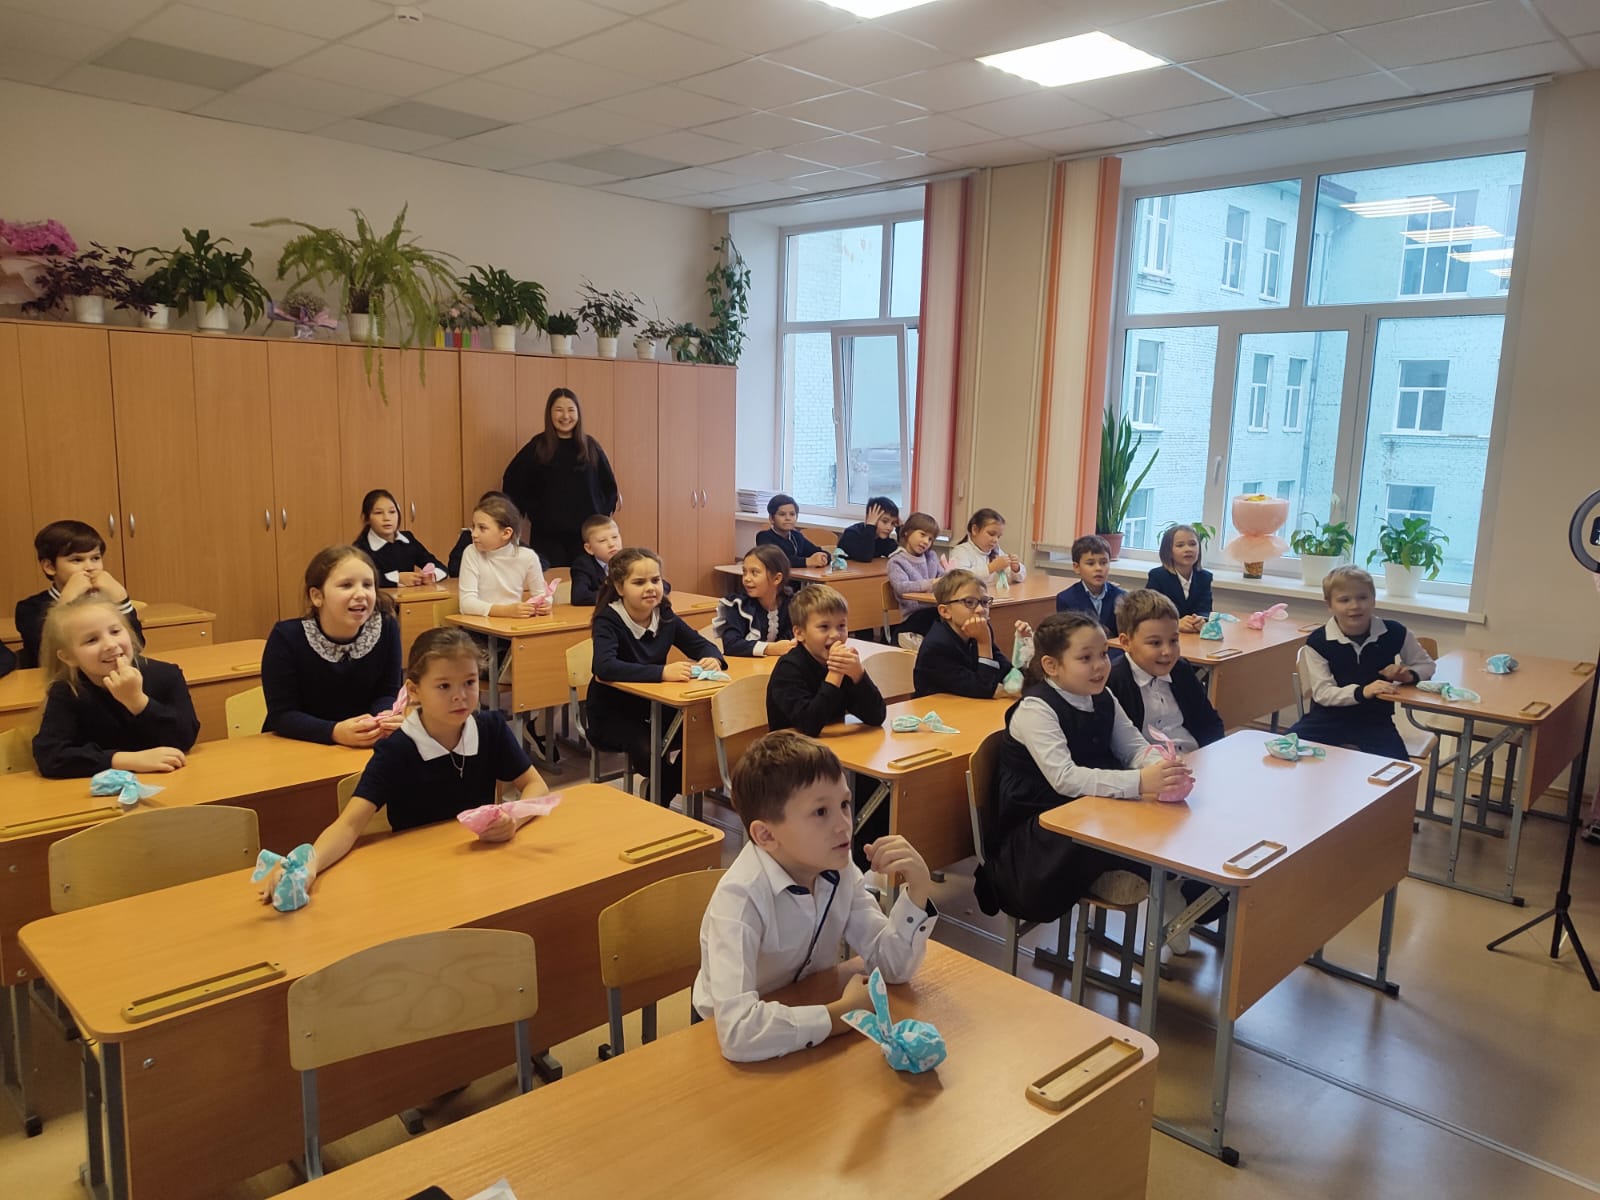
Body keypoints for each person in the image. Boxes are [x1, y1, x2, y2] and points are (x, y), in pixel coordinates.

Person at [254, 629, 548, 907]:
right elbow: (349, 825)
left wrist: (513, 819)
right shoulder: (397, 749)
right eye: (444, 686)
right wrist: (309, 865)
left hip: (480, 866)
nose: (460, 695)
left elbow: (536, 786)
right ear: (414, 690)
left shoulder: (491, 728)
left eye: (469, 682)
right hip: (418, 877)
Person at [691, 730, 937, 1062]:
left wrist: (918, 891)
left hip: (807, 1008)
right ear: (766, 835)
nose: (843, 825)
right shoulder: (740, 899)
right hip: (724, 1043)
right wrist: (842, 1014)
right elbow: (737, 1032)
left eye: (844, 804)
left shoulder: (838, 868)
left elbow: (891, 967)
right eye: (821, 812)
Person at [973, 611, 1191, 925]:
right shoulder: (1035, 709)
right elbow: (1065, 779)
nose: (1100, 665)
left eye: (1103, 654)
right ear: (1051, 666)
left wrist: (1161, 767)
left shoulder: (1103, 696)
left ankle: (1175, 885)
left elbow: (1133, 746)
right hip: (1039, 835)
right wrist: (1142, 781)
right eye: (1085, 658)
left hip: (1085, 810)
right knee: (1130, 822)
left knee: (1161, 815)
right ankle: (1165, 885)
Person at [588, 548, 725, 798]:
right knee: (646, 748)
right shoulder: (608, 620)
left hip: (655, 706)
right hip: (613, 713)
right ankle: (664, 792)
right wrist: (661, 672)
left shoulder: (664, 614)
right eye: (639, 582)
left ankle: (663, 791)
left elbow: (700, 644)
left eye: (655, 580)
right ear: (619, 587)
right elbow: (604, 667)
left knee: (703, 730)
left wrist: (712, 658)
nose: (650, 588)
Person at [32, 595, 200, 778]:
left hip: (168, 779)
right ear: (68, 657)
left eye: (115, 631)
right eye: (91, 640)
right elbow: (50, 756)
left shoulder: (166, 675)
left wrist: (138, 702)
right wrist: (127, 760)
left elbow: (185, 738)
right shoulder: (67, 691)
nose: (110, 644)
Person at [262, 546, 404, 747]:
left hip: (362, 743)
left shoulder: (387, 627)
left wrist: (384, 717)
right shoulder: (286, 637)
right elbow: (282, 714)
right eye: (346, 585)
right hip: (300, 744)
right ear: (317, 596)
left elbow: (387, 693)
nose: (361, 594)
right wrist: (334, 732)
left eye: (367, 584)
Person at [1289, 565, 1435, 759]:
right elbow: (1323, 693)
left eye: (1362, 598)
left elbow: (1427, 665)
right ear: (1329, 605)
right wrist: (1363, 691)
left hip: (1375, 721)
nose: (1355, 606)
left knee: (1398, 767)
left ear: (1373, 599)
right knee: (1285, 752)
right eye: (1344, 600)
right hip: (1326, 720)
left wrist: (1408, 675)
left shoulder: (1395, 632)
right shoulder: (1318, 641)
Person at [501, 387, 618, 568]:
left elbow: (609, 486)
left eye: (571, 410)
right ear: (550, 414)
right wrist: (532, 512)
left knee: (586, 580)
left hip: (587, 537)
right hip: (548, 538)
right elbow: (512, 480)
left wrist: (601, 515)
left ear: (578, 414)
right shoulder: (537, 447)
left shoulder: (590, 446)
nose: (565, 416)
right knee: (552, 581)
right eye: (559, 410)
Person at [15, 520, 143, 670]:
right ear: (49, 566)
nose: (90, 567)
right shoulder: (29, 608)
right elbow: (48, 656)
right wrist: (66, 602)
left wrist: (122, 600)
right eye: (77, 560)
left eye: (95, 558)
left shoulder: (104, 601)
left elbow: (137, 646)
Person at [1106, 590, 1224, 752]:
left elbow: (1209, 723)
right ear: (1126, 643)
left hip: (1194, 755)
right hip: (1149, 763)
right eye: (1155, 643)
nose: (1167, 651)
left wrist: (1211, 755)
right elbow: (1115, 746)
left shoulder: (1180, 669)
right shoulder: (1115, 681)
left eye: (1174, 640)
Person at [766, 584, 885, 737]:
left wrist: (859, 675)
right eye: (824, 627)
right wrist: (835, 674)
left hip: (833, 744)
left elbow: (876, 716)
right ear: (799, 633)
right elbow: (809, 725)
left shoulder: (843, 664)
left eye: (841, 626)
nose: (835, 634)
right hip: (791, 747)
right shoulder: (788, 669)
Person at [912, 570, 1029, 700]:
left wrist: (1024, 646)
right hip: (937, 709)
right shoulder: (937, 646)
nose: (980, 609)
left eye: (984, 602)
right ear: (945, 611)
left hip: (967, 704)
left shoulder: (979, 630)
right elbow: (983, 689)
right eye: (969, 602)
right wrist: (984, 644)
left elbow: (1005, 670)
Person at [457, 494, 551, 619]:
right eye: (473, 527)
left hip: (513, 623)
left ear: (506, 533)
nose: (474, 534)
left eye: (482, 528)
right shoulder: (471, 552)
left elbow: (541, 594)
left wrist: (545, 604)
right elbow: (466, 604)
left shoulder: (528, 557)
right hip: (480, 624)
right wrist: (506, 611)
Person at [712, 545, 795, 658]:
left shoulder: (792, 605)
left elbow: (793, 639)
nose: (746, 578)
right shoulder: (738, 606)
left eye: (754, 572)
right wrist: (770, 648)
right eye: (744, 572)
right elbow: (731, 645)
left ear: (776, 578)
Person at [354, 488, 448, 586]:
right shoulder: (360, 548)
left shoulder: (407, 539)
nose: (387, 518)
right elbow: (362, 579)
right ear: (366, 518)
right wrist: (397, 578)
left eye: (392, 512)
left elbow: (441, 567)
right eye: (378, 513)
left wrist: (431, 576)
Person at [1055, 534, 1126, 658]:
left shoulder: (1121, 597)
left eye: (1103, 563)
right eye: (1091, 563)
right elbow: (1068, 639)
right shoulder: (1066, 599)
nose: (1098, 568)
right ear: (1076, 567)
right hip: (1082, 656)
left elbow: (1124, 638)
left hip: (1115, 656)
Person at [885, 511, 945, 644]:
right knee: (941, 619)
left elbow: (943, 578)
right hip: (914, 616)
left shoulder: (931, 557)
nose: (926, 541)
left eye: (930, 539)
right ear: (907, 532)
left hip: (934, 610)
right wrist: (931, 583)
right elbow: (901, 587)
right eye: (922, 535)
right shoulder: (896, 561)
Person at [1145, 524, 1212, 631]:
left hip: (1192, 634)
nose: (1188, 549)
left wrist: (1200, 620)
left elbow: (1205, 609)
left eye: (1192, 544)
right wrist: (1176, 623)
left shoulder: (1204, 577)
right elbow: (1150, 613)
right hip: (1165, 633)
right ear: (1168, 551)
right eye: (1180, 545)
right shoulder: (1158, 576)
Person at [946, 507, 1026, 586]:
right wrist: (991, 568)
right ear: (975, 530)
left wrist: (1016, 569)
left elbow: (1020, 578)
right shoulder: (961, 551)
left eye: (998, 536)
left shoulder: (995, 551)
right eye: (991, 534)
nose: (995, 540)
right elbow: (959, 580)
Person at [756, 493, 829, 569]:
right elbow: (778, 560)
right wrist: (807, 561)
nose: (788, 518)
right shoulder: (764, 537)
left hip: (798, 576)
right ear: (771, 518)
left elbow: (817, 551)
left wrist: (823, 557)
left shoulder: (797, 536)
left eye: (792, 514)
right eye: (782, 514)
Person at [570, 514, 623, 605]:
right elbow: (579, 597)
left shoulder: (630, 561)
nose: (611, 544)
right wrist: (619, 595)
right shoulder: (583, 565)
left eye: (615, 537)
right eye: (602, 540)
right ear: (589, 548)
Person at [837, 497, 899, 562]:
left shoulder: (881, 538)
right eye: (884, 521)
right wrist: (871, 526)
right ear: (868, 518)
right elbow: (865, 557)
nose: (889, 527)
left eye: (893, 523)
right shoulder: (851, 534)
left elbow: (897, 552)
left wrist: (900, 529)